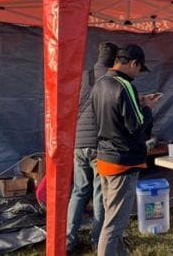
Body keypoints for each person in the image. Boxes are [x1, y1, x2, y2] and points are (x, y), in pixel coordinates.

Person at [93, 44, 159, 256]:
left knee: (112, 220)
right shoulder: (124, 85)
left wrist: (138, 103)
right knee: (113, 226)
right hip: (123, 161)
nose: (138, 74)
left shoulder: (100, 83)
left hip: (104, 157)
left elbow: (111, 116)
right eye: (139, 69)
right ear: (133, 63)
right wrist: (147, 107)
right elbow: (137, 125)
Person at [67, 42, 118, 252]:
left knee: (78, 192)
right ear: (114, 60)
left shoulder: (83, 76)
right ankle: (98, 240)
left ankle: (67, 240)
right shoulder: (112, 79)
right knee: (99, 192)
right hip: (99, 144)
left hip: (78, 142)